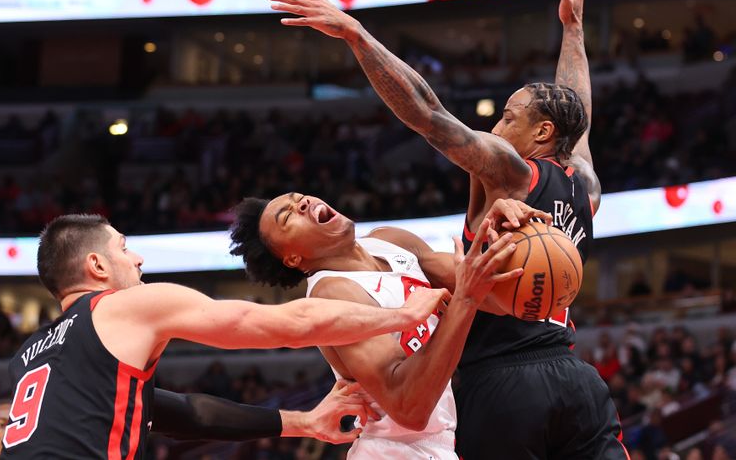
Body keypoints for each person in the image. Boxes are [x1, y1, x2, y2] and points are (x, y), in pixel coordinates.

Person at [269, 0, 628, 459]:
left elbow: (428, 114)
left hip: (501, 382)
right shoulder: (585, 183)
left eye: (507, 117)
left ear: (540, 133)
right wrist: (574, 31)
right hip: (575, 374)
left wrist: (357, 36)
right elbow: (577, 113)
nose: (497, 128)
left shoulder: (509, 170)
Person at [0, 214, 448, 459]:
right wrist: (400, 315)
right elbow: (282, 325)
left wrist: (304, 423)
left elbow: (187, 415)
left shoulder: (31, 355)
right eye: (123, 247)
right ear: (97, 267)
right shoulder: (122, 305)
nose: (137, 260)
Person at [230, 194, 548, 458]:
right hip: (393, 450)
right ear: (293, 259)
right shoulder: (333, 293)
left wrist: (503, 231)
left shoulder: (388, 241)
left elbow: (495, 294)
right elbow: (408, 409)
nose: (302, 203)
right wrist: (463, 301)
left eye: (300, 197)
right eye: (288, 217)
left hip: (437, 443)